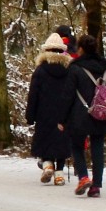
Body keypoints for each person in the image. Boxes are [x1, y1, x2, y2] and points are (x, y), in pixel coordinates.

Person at [67, 34, 106, 199]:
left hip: (80, 113)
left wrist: (62, 118)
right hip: (101, 112)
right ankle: (96, 186)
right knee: (97, 147)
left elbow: (67, 95)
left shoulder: (75, 68)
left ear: (80, 49)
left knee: (77, 146)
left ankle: (83, 177)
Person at [26, 33, 78, 185]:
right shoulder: (69, 70)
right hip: (63, 113)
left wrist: (30, 115)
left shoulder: (40, 71)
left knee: (46, 140)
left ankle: (48, 165)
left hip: (44, 113)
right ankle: (60, 175)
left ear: (46, 50)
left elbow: (33, 94)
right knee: (61, 142)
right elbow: (73, 93)